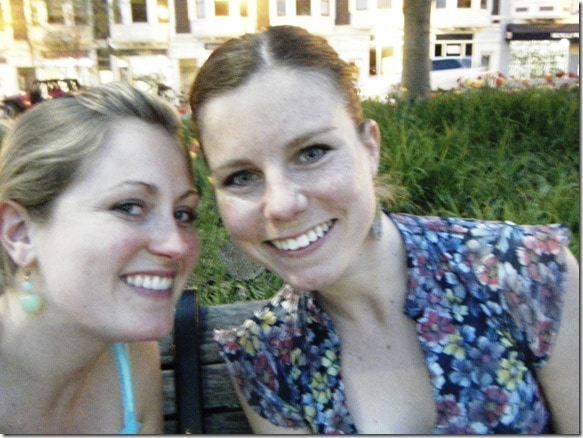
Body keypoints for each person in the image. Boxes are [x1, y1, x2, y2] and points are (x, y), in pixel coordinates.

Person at [189, 25, 580, 434]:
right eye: (241, 177)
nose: (282, 204)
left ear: (370, 148)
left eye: (312, 152)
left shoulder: (528, 273)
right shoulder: (267, 359)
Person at [0, 81, 200, 433]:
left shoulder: (132, 358)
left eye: (183, 213)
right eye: (129, 207)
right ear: (21, 233)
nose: (176, 244)